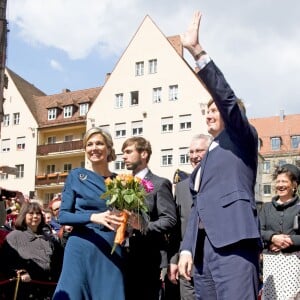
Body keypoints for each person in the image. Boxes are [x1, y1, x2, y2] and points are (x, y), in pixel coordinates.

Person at [178, 11, 262, 300]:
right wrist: (187, 248)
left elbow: (226, 98)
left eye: (215, 109)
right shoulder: (206, 157)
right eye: (207, 110)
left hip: (234, 241)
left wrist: (197, 51)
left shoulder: (241, 138)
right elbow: (197, 207)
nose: (210, 113)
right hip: (203, 253)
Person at [52, 127, 125, 300]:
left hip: (111, 246)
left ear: (108, 148)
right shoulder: (76, 175)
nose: (94, 148)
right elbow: (63, 216)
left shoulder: (122, 182)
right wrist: (93, 217)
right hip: (81, 246)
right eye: (89, 144)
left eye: (99, 143)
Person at [121, 136, 177, 300]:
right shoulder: (122, 185)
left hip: (149, 262)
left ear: (144, 154)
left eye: (129, 152)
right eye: (123, 153)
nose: (124, 156)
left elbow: (170, 220)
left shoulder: (159, 184)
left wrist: (144, 226)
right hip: (124, 258)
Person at [168, 134, 212, 300]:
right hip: (187, 266)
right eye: (191, 152)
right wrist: (173, 260)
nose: (194, 156)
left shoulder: (220, 182)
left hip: (214, 264)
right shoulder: (180, 188)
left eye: (199, 150)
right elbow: (176, 228)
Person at [1, 202, 63, 299]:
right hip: (24, 291)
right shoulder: (13, 237)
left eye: (38, 214)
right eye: (31, 213)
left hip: (48, 290)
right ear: (23, 216)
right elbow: (5, 263)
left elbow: (59, 262)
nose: (35, 216)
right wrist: (19, 272)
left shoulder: (49, 238)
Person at [259, 163, 300, 300]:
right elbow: (258, 231)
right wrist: (272, 237)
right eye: (278, 181)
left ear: (294, 184)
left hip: (293, 262)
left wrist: (288, 241)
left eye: (284, 181)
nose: (280, 185)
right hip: (271, 262)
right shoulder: (266, 208)